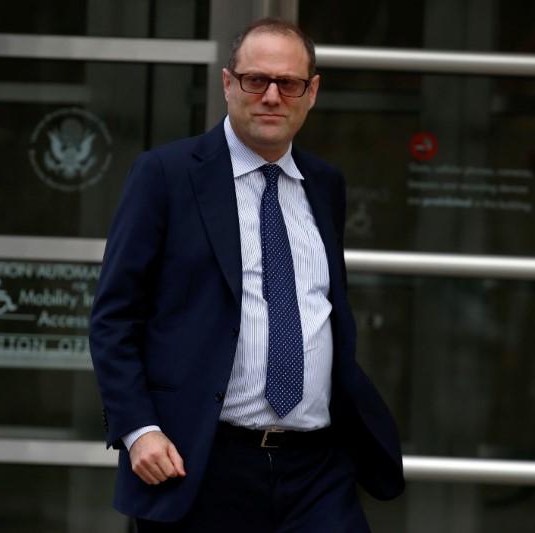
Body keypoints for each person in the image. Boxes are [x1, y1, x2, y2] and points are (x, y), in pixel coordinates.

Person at [89, 17, 405, 532]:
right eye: (256, 80)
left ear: (312, 92)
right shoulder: (166, 175)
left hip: (317, 469)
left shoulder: (325, 185)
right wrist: (138, 428)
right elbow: (114, 318)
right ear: (228, 83)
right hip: (204, 465)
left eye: (289, 83)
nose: (272, 96)